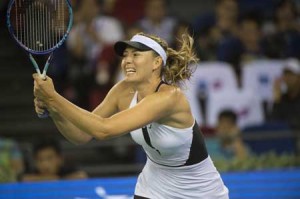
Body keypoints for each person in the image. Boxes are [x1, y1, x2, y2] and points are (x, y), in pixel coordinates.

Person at [32, 32, 229, 198]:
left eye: (136, 54)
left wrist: (53, 97)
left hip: (200, 190)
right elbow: (80, 135)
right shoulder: (123, 91)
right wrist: (54, 109)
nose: (127, 60)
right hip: (155, 183)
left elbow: (103, 129)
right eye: (125, 55)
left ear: (156, 62)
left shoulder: (170, 98)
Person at [22, 138, 87, 182]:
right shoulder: (31, 173)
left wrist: (57, 180)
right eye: (40, 159)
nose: (45, 164)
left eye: (49, 158)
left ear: (60, 159)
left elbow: (81, 176)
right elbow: (24, 179)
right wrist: (47, 179)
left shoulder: (68, 170)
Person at [270, 58, 300, 130]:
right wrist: (276, 101)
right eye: (285, 74)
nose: (287, 78)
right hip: (284, 138)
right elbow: (272, 126)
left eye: (291, 74)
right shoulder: (281, 99)